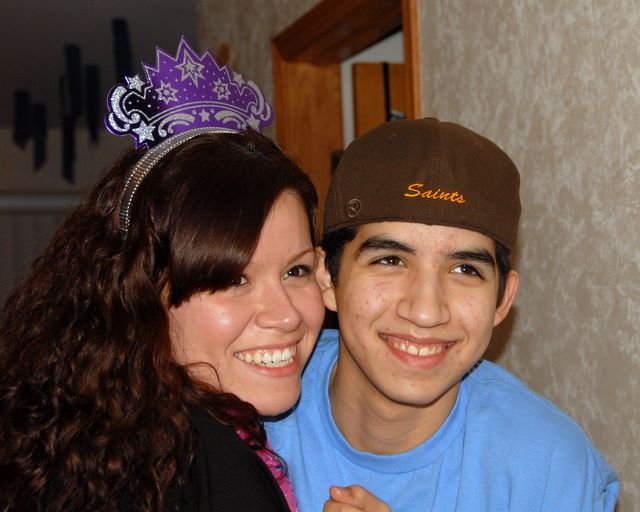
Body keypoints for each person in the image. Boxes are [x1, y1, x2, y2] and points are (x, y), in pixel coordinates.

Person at [0, 38, 325, 512]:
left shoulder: (95, 442)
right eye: (233, 279)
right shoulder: (215, 465)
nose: (287, 315)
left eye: (296, 270)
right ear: (142, 293)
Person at [266, 117, 620, 511]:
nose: (425, 312)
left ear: (503, 299)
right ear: (327, 278)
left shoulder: (550, 471)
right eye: (390, 260)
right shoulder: (255, 414)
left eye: (465, 269)